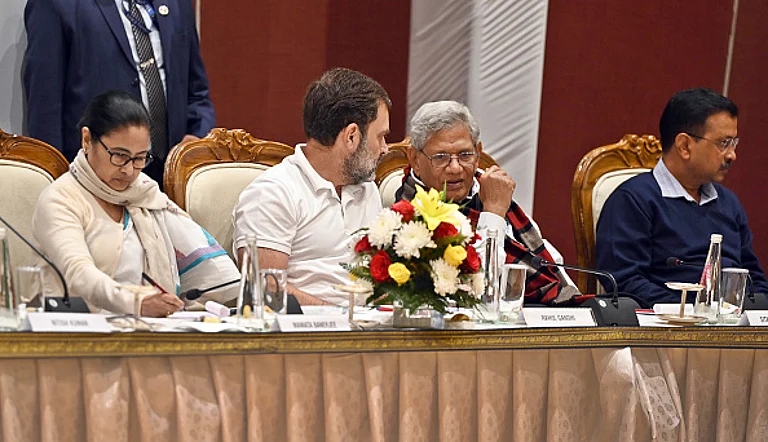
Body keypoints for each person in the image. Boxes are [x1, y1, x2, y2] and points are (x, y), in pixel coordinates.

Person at [32, 90, 238, 317]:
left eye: (140, 158)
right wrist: (135, 303)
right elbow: (78, 273)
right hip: (75, 332)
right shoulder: (60, 199)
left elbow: (213, 272)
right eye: (119, 155)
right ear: (87, 140)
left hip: (152, 328)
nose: (129, 170)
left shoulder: (145, 194)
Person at [233, 68, 391, 306]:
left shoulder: (367, 190)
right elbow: (267, 290)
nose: (385, 148)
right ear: (351, 137)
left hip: (372, 329)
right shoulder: (273, 192)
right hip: (305, 336)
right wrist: (342, 319)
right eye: (380, 137)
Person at [596, 87, 768, 305]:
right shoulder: (633, 200)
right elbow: (625, 282)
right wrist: (693, 313)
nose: (732, 155)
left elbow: (754, 279)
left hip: (731, 327)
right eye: (723, 143)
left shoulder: (729, 203)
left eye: (734, 143)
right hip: (667, 330)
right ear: (685, 146)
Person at [397, 101, 580, 305]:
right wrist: (493, 213)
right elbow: (480, 291)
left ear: (478, 154)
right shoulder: (410, 213)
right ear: (414, 159)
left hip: (541, 313)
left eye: (465, 154)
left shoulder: (486, 186)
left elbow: (548, 260)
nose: (456, 168)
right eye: (441, 157)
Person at [23, 0, 216, 187]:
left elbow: (196, 90)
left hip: (168, 178)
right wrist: (59, 182)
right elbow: (45, 108)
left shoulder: (177, 4)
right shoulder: (54, 4)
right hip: (95, 180)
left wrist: (196, 138)